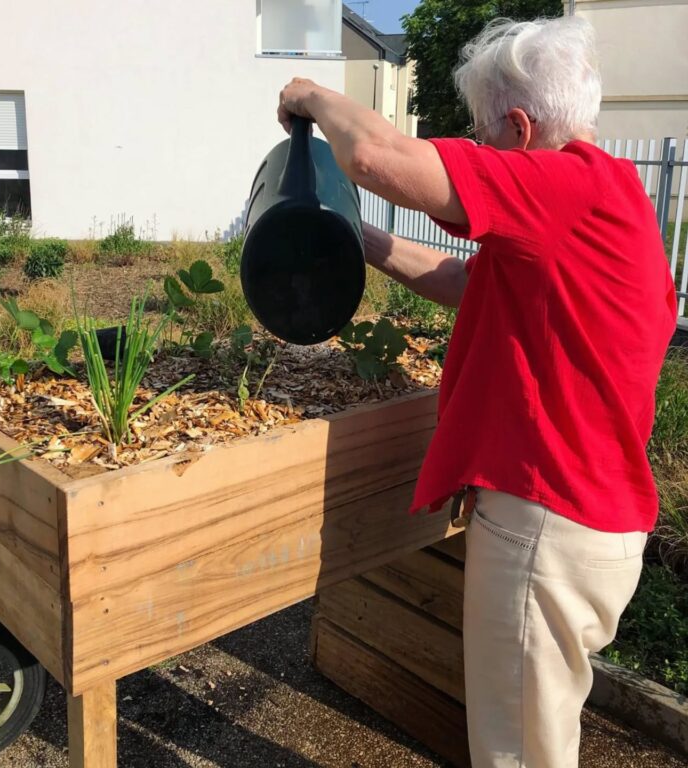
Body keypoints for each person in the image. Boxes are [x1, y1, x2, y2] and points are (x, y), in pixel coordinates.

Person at [277, 16, 677, 768]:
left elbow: (376, 154)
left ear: (520, 128)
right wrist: (357, 238)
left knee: (515, 755)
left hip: (547, 527)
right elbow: (470, 280)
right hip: (590, 519)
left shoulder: (563, 184)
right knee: (535, 737)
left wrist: (311, 96)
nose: (480, 145)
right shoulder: (607, 199)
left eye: (485, 133)